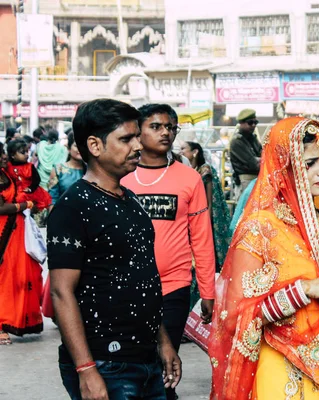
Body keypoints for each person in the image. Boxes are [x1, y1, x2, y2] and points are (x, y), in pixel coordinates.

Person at [209, 117, 319, 399]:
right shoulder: (259, 228)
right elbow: (237, 316)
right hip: (283, 367)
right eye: (310, 163)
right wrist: (306, 290)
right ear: (284, 166)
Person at [48, 99, 181, 400]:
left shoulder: (130, 200)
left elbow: (143, 278)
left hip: (146, 359)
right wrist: (86, 369)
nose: (138, 146)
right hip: (105, 363)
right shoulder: (74, 206)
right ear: (94, 145)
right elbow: (61, 292)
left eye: (137, 136)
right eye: (126, 139)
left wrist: (163, 342)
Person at [121, 103, 215, 400]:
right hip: (127, 287)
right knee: (133, 362)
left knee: (166, 358)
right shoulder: (121, 176)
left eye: (170, 127)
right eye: (156, 126)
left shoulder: (190, 179)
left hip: (173, 286)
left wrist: (208, 292)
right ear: (139, 130)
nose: (165, 133)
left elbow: (201, 238)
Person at [180, 141, 230, 310]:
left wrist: (202, 226)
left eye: (183, 149)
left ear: (194, 152)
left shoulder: (204, 171)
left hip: (203, 222)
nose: (180, 152)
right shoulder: (189, 171)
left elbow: (208, 204)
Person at [0, 146, 42, 345]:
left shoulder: (5, 172)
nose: (4, 157)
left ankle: (17, 321)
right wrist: (24, 206)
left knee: (22, 275)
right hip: (4, 233)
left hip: (16, 230)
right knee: (5, 279)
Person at [41, 132, 85, 320]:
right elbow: (52, 198)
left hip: (89, 226)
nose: (78, 150)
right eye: (76, 145)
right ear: (69, 148)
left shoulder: (92, 170)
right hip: (65, 227)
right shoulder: (58, 169)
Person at [6, 138, 52, 210]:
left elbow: (37, 179)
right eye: (23, 152)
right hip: (14, 192)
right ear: (12, 155)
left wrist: (30, 189)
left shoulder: (30, 166)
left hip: (30, 192)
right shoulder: (8, 166)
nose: (27, 154)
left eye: (27, 151)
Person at [229, 109, 262, 201]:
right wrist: (260, 160)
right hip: (245, 180)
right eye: (250, 122)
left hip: (256, 178)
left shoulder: (253, 138)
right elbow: (252, 163)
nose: (254, 125)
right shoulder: (237, 141)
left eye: (255, 122)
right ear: (241, 123)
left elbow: (264, 155)